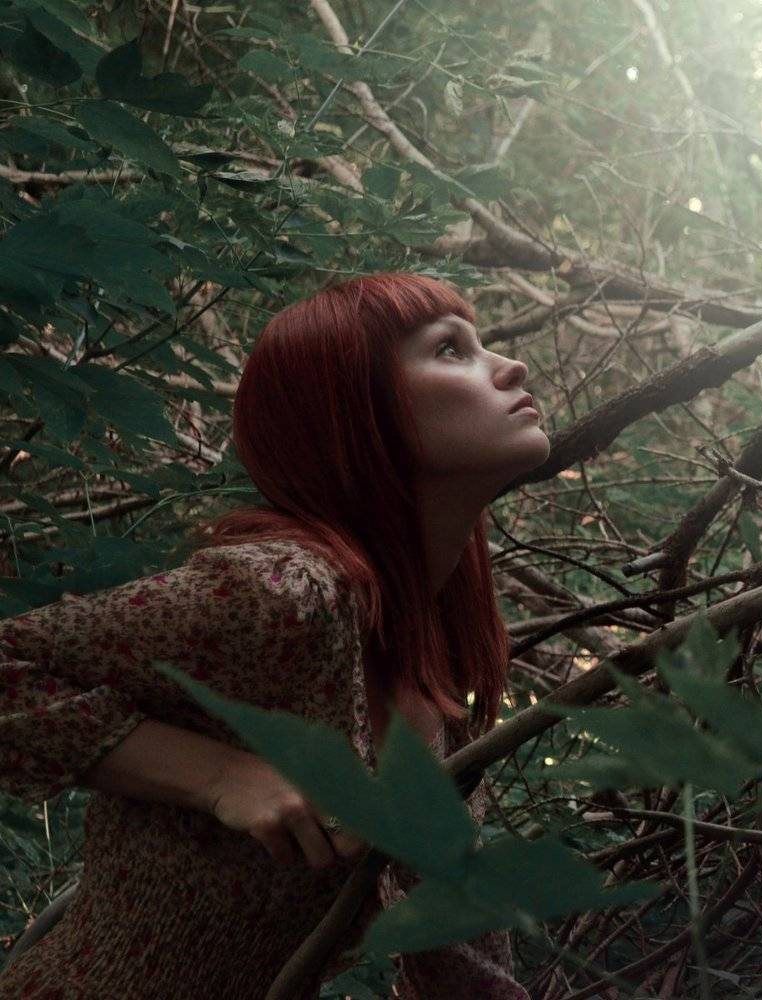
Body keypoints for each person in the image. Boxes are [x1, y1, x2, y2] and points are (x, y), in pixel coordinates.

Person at [0, 273, 549, 998]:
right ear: (355, 412)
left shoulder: (438, 662)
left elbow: (461, 958)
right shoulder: (284, 596)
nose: (510, 367)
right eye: (451, 349)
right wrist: (221, 776)